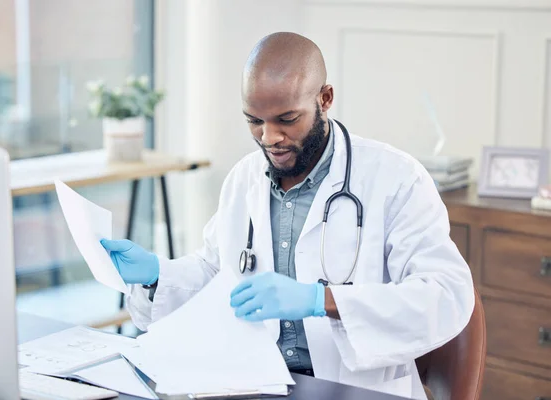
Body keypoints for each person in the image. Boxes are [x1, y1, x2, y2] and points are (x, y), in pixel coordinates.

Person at [101, 32, 474, 399]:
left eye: (286, 119)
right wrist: (156, 276)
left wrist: (320, 300)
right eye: (254, 121)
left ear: (325, 99)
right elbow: (216, 276)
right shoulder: (245, 177)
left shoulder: (395, 178)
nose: (269, 137)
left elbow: (445, 296)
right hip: (251, 383)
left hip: (357, 390)